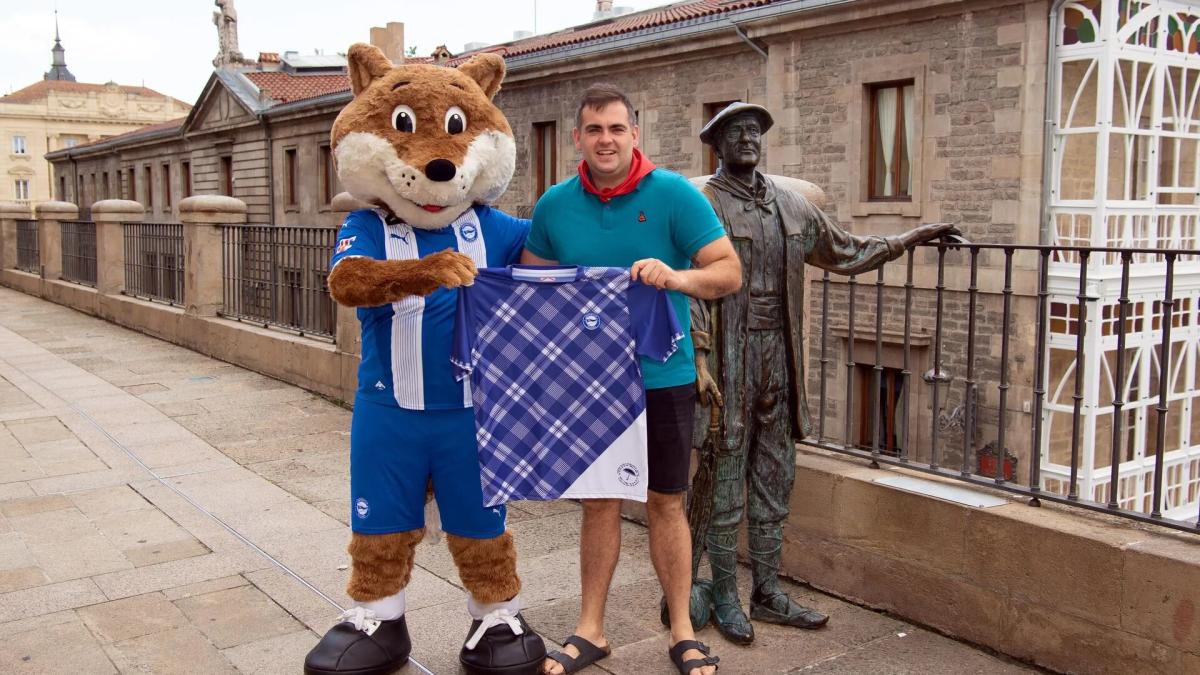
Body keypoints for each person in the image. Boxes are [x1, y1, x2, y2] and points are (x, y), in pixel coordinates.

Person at [689, 102, 960, 645]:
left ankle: (766, 592)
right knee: (724, 477)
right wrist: (699, 356)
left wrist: (914, 237)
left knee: (775, 473)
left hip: (779, 359)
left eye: (755, 131)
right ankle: (721, 593)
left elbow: (847, 251)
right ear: (716, 145)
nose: (748, 138)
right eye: (736, 131)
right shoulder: (704, 205)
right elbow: (690, 284)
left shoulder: (791, 206)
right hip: (729, 358)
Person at [522, 84, 742, 675]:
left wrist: (676, 278)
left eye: (617, 129)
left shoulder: (672, 195)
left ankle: (682, 631)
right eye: (594, 130)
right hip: (587, 381)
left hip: (663, 375)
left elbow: (728, 272)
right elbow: (533, 291)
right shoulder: (554, 205)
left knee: (665, 503)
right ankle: (591, 630)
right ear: (578, 139)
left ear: (635, 134)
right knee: (599, 503)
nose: (606, 140)